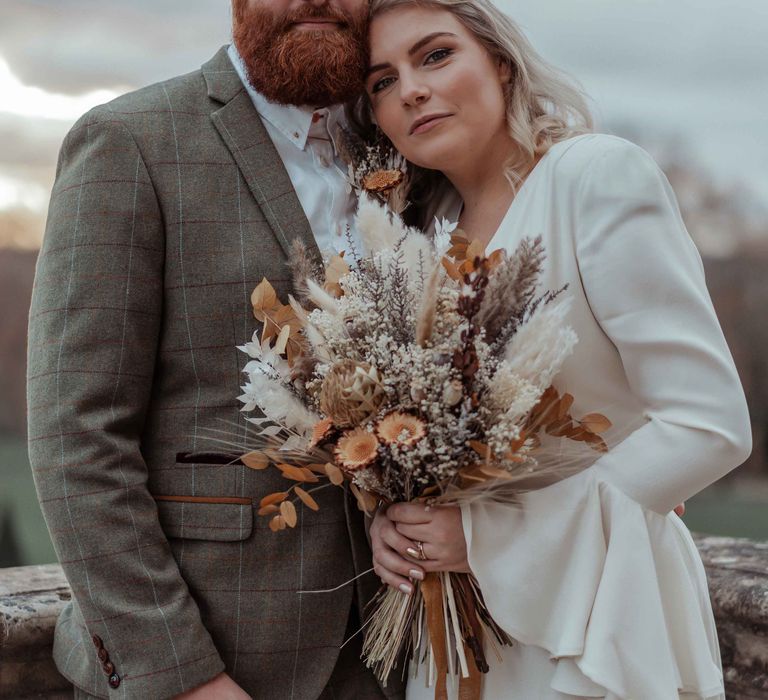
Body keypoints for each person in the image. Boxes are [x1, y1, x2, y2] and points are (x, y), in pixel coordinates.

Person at [363, 0, 752, 698]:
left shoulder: (595, 178)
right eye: (381, 81)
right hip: (454, 640)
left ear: (502, 64)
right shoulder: (416, 248)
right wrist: (392, 522)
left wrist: (488, 539)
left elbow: (708, 425)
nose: (410, 88)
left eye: (435, 55)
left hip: (602, 617)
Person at [26, 1, 403, 698]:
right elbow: (76, 434)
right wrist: (183, 678)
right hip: (212, 662)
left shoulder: (412, 144)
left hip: (397, 658)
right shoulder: (128, 140)